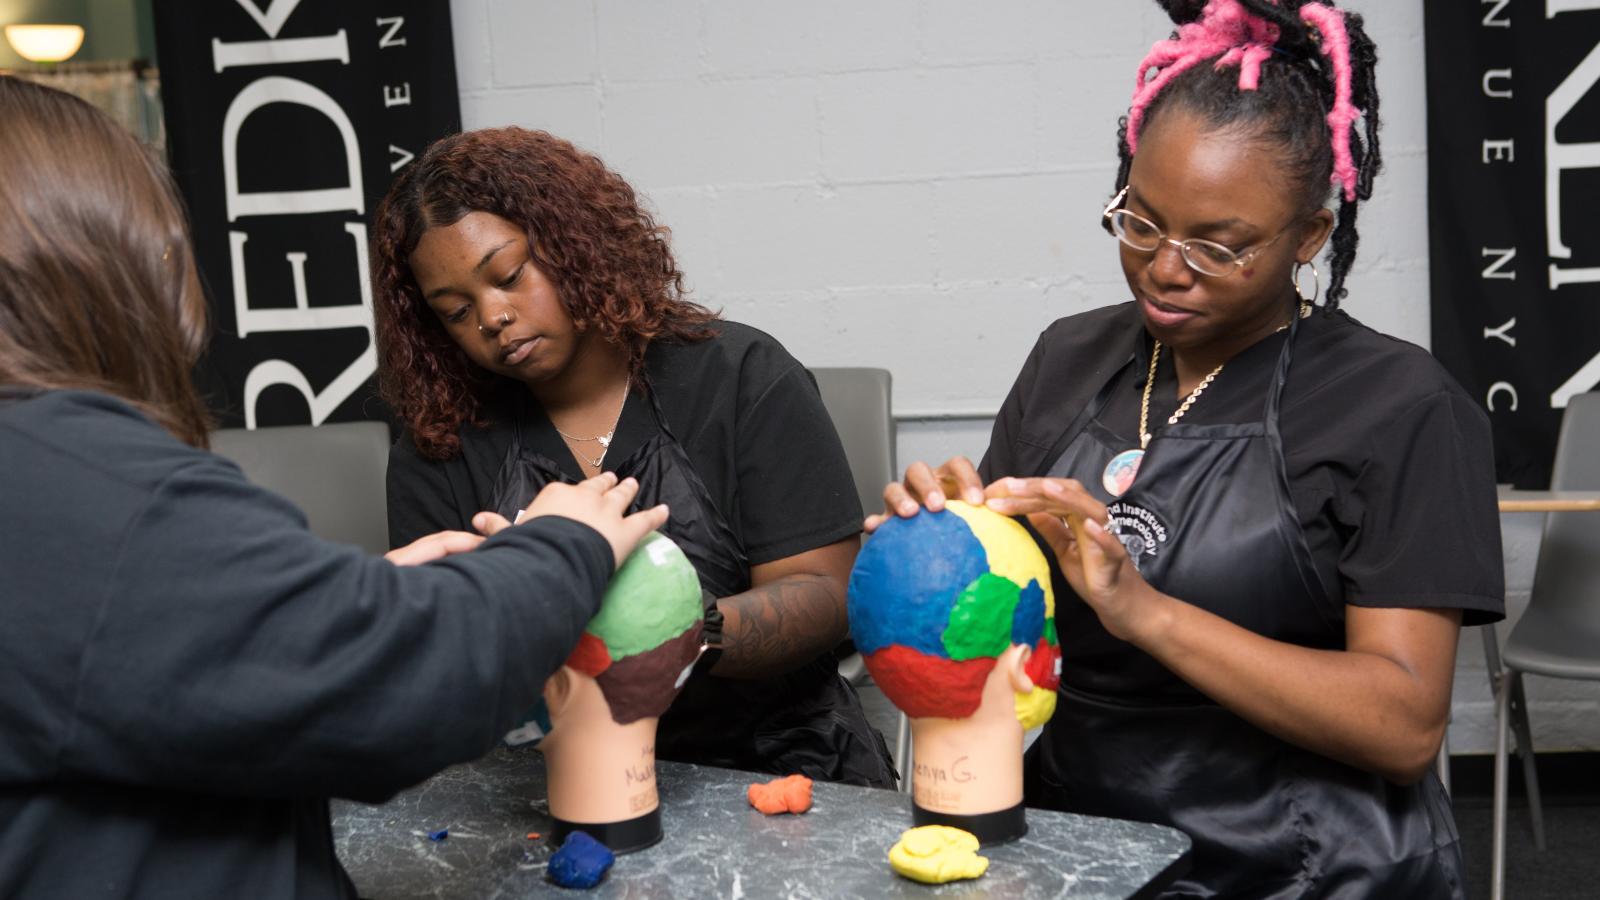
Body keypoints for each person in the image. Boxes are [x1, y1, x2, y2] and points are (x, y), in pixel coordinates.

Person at [872, 1, 1504, 896]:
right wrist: (944, 539)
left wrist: (1145, 609)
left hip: (1304, 867)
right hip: (1077, 845)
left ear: (1309, 238)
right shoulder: (1068, 357)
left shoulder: (1400, 406)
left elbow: (1401, 726)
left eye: (1221, 245)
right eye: (1142, 221)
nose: (1167, 267)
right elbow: (1010, 607)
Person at [0, 76, 665, 900]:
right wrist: (565, 542)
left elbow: (150, 655)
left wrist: (367, 597)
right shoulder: (85, 490)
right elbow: (402, 687)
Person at [372, 127, 895, 787]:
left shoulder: (741, 377)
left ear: (573, 244)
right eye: (454, 312)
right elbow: (439, 650)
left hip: (777, 766)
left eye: (508, 276)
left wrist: (680, 633)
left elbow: (827, 592)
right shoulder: (441, 444)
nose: (492, 317)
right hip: (546, 780)